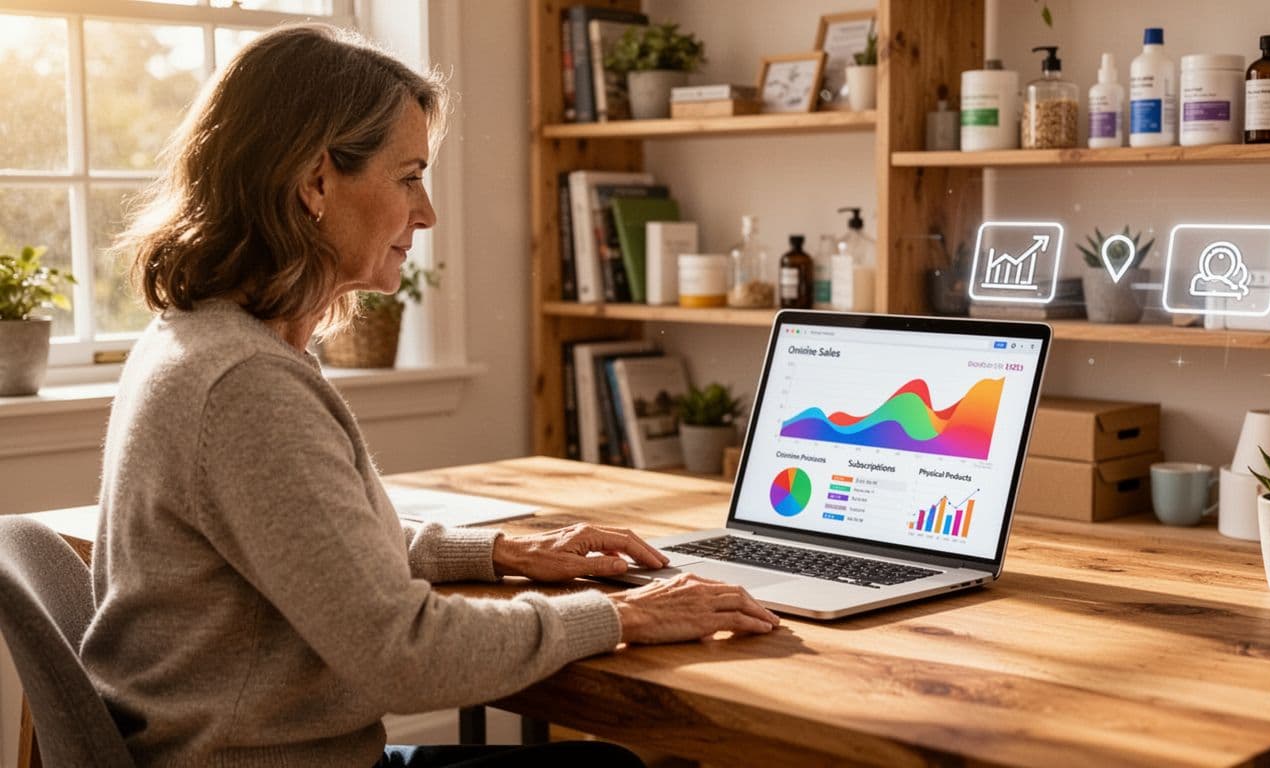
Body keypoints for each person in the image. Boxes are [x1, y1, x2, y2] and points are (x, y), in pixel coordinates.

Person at [85, 23, 779, 768]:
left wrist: (501, 552)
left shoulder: (204, 340)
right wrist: (618, 615)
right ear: (315, 183)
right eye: (409, 176)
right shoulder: (245, 387)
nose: (427, 214)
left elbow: (323, 549)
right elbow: (402, 653)